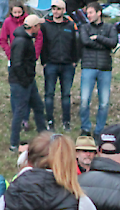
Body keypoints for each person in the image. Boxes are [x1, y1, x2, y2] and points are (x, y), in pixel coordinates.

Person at [8, 15, 48, 152]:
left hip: (28, 80)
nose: (40, 29)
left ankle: (44, 136)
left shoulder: (25, 39)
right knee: (19, 112)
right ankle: (14, 144)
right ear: (34, 27)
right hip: (21, 82)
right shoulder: (21, 42)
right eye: (39, 26)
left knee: (38, 106)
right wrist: (25, 81)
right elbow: (16, 64)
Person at [79, 2, 118, 138]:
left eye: (90, 13)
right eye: (87, 13)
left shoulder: (110, 27)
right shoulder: (84, 27)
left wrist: (97, 38)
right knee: (84, 101)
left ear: (99, 13)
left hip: (105, 68)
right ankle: (85, 128)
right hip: (88, 67)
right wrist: (104, 44)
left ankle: (99, 130)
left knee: (104, 102)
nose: (88, 15)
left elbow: (113, 43)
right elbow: (85, 41)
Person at [41, 0, 79, 132]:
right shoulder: (46, 25)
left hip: (68, 64)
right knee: (49, 94)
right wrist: (44, 61)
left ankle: (66, 121)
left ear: (63, 10)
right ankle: (50, 121)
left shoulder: (70, 25)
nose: (55, 11)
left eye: (58, 9)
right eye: (53, 9)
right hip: (51, 64)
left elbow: (75, 43)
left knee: (66, 94)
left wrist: (75, 60)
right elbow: (42, 44)